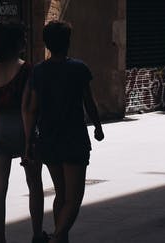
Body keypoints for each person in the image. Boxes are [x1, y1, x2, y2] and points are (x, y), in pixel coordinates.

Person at [23, 21, 104, 243]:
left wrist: (29, 141)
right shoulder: (79, 68)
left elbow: (32, 108)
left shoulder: (39, 71)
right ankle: (58, 237)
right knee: (75, 197)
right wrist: (97, 126)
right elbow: (89, 102)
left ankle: (62, 238)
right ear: (67, 42)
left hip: (48, 139)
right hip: (74, 138)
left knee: (61, 192)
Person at [0, 22, 44, 243]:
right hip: (22, 127)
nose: (26, 42)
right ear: (16, 42)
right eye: (23, 38)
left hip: (0, 127)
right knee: (34, 183)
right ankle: (37, 234)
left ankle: (0, 240)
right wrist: (29, 142)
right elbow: (27, 108)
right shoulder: (27, 69)